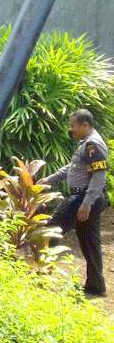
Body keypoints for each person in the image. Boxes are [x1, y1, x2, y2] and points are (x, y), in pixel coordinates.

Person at [39, 109, 109, 296]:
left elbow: (98, 176)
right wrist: (50, 179)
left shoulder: (93, 144)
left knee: (50, 230)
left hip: (84, 198)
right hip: (88, 198)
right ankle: (96, 287)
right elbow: (73, 167)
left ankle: (42, 275)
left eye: (73, 126)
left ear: (85, 125)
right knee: (90, 242)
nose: (71, 130)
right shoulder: (86, 143)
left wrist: (86, 203)